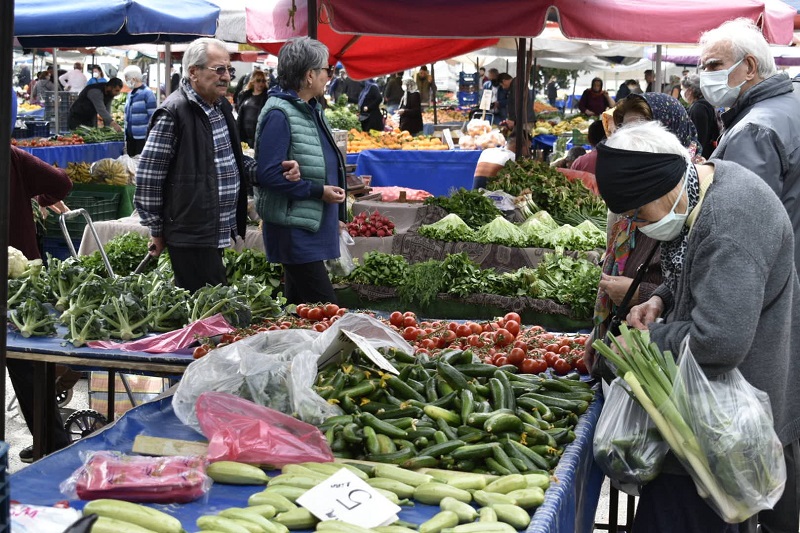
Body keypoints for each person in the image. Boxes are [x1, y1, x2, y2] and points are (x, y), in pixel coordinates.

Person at [595, 120, 800, 533]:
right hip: (710, 405)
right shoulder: (705, 186)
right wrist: (661, 299)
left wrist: (644, 342)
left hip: (728, 415)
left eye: (637, 213)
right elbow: (700, 273)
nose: (636, 224)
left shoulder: (730, 221)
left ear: (665, 185)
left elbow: (718, 341)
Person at [135, 37, 301, 293]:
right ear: (193, 72)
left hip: (213, 230)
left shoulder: (220, 106)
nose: (226, 76)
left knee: (210, 309)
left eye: (229, 70)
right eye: (219, 69)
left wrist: (270, 171)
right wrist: (156, 229)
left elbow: (233, 160)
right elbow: (148, 176)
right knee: (210, 310)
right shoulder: (173, 113)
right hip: (190, 231)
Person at [585, 92, 700, 380]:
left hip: (665, 359)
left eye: (643, 128)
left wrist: (642, 294)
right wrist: (600, 332)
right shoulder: (627, 198)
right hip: (631, 343)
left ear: (669, 133)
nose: (632, 139)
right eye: (626, 128)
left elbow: (694, 293)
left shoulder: (690, 200)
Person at [699, 17, 800, 274]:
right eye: (703, 68)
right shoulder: (791, 103)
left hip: (773, 281)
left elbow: (742, 232)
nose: (705, 77)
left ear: (750, 66)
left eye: (714, 66)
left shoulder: (753, 131)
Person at [254, 36, 347, 305]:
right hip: (294, 230)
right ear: (309, 75)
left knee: (300, 309)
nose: (328, 76)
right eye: (325, 70)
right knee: (327, 311)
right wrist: (319, 192)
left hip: (308, 225)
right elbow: (268, 174)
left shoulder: (308, 109)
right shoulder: (279, 114)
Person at [8, 97, 74, 462]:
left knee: (24, 363)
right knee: (26, 362)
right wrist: (41, 196)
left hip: (18, 275)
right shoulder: (14, 156)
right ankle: (51, 441)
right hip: (21, 276)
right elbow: (61, 182)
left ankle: (51, 440)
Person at [680, 74, 719, 160]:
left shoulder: (698, 108)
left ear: (690, 90)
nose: (681, 92)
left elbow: (699, 137)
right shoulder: (704, 104)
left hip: (701, 157)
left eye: (682, 89)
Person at [121, 66, 156, 157]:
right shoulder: (130, 94)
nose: (126, 82)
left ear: (134, 78)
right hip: (130, 137)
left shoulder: (147, 93)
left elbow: (153, 117)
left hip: (141, 137)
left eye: (127, 79)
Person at [236, 69, 269, 147]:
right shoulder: (245, 95)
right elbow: (240, 115)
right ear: (253, 81)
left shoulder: (267, 97)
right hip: (243, 136)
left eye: (263, 81)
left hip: (258, 136)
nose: (261, 83)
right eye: (258, 80)